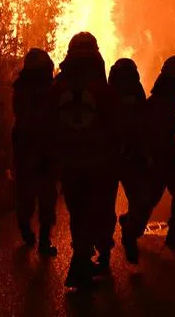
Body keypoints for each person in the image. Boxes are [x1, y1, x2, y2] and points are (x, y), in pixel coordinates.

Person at [49, 32, 118, 289]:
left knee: (78, 213)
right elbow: (115, 125)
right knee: (95, 211)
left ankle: (82, 261)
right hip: (97, 163)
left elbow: (47, 124)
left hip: (69, 162)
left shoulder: (57, 87)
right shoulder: (102, 90)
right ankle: (81, 264)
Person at [124, 55, 175, 251]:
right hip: (160, 156)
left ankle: (135, 226)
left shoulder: (164, 97)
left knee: (169, 193)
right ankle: (133, 228)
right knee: (157, 196)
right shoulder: (161, 102)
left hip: (161, 155)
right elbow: (155, 134)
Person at [11, 47, 58, 257]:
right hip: (42, 149)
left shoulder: (21, 87)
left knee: (27, 192)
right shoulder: (49, 90)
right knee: (46, 196)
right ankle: (43, 239)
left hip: (25, 147)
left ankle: (27, 230)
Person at [108, 58, 148, 264]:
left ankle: (121, 238)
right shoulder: (109, 94)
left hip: (126, 155)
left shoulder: (109, 92)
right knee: (131, 201)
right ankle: (109, 246)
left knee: (136, 201)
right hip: (119, 156)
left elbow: (143, 122)